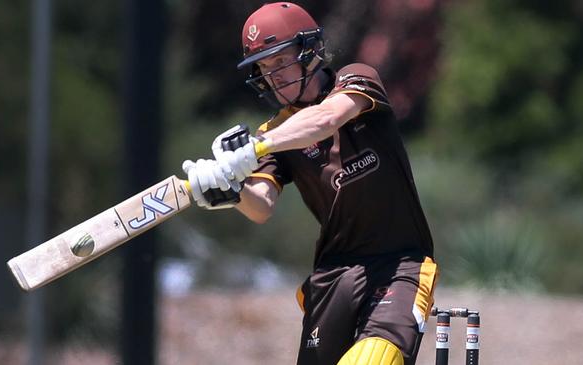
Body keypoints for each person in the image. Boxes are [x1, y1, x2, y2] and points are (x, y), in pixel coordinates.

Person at [182, 3, 438, 365]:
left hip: (400, 263)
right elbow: (262, 206)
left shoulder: (356, 80)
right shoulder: (273, 132)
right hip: (334, 275)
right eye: (264, 68)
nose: (273, 76)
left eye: (280, 61)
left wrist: (258, 147)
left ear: (310, 51)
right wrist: (231, 189)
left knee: (372, 360)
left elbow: (326, 119)